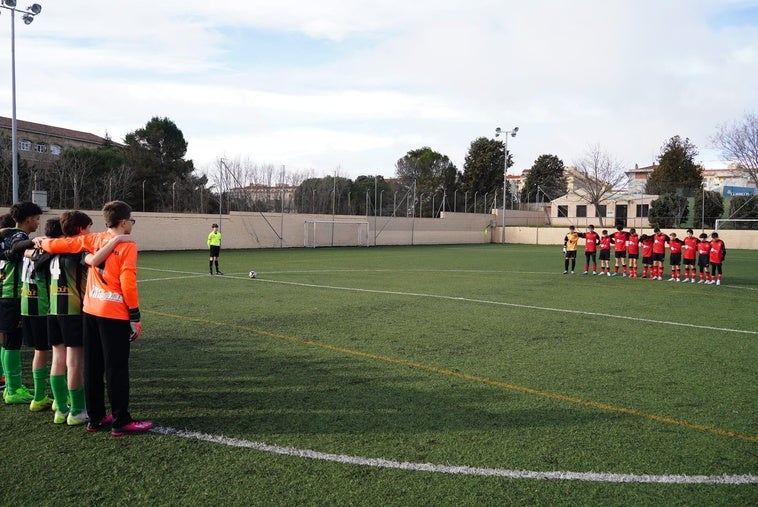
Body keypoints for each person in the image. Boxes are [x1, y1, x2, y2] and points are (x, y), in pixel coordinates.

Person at [40, 201, 152, 436]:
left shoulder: (94, 239)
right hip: (114, 314)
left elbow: (59, 244)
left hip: (90, 312)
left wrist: (41, 242)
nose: (131, 224)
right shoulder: (128, 245)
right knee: (116, 368)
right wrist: (135, 315)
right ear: (123, 222)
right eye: (131, 220)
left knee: (93, 366)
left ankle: (95, 417)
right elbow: (127, 282)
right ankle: (121, 420)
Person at [45, 211, 131, 425]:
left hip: (52, 310)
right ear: (82, 229)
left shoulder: (46, 252)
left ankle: (60, 406)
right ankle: (76, 411)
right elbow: (93, 259)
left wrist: (38, 242)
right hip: (75, 311)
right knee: (76, 363)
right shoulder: (80, 250)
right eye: (89, 226)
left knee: (58, 360)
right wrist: (117, 240)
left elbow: (33, 254)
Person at [1, 202, 42, 404]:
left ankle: (10, 385)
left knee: (6, 342)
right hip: (12, 295)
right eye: (36, 218)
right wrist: (34, 243)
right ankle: (13, 390)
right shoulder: (19, 236)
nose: (37, 222)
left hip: (4, 294)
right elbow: (17, 249)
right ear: (28, 219)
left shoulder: (5, 234)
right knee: (12, 344)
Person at [19, 218, 62, 412]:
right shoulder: (48, 251)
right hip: (43, 307)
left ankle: (39, 396)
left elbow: (25, 253)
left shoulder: (30, 249)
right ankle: (58, 397)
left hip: (26, 304)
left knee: (40, 350)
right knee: (59, 352)